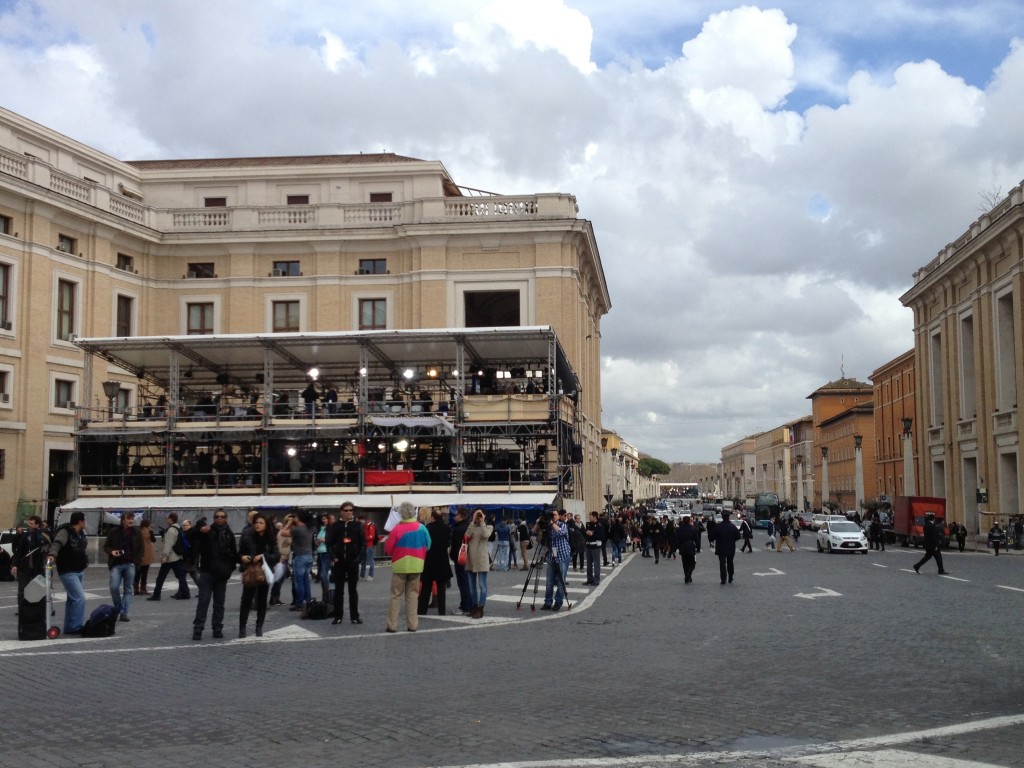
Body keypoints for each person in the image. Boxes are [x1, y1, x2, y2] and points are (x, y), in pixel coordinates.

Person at [384, 501, 431, 631]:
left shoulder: (396, 529)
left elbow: (388, 549)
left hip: (400, 565)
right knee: (413, 596)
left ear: (401, 514)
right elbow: (428, 545)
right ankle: (413, 625)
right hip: (417, 565)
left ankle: (392, 625)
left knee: (395, 595)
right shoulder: (422, 528)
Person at [192, 509, 238, 640]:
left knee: (219, 602)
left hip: (221, 573)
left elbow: (234, 553)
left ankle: (217, 627)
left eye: (222, 517)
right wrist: (200, 529)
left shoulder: (229, 534)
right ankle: (198, 628)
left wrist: (229, 569)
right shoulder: (207, 531)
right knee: (203, 601)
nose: (219, 519)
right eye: (217, 516)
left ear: (226, 518)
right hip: (207, 571)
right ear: (213, 518)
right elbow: (189, 535)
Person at [237, 513, 279, 638]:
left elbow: (276, 556)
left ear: (266, 525)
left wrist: (263, 556)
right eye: (256, 523)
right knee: (246, 600)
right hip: (250, 571)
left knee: (262, 601)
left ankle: (259, 626)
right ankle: (242, 628)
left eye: (261, 523)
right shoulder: (247, 537)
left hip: (264, 572)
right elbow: (240, 554)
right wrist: (243, 558)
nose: (258, 525)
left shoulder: (271, 539)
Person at [47, 511, 89, 635]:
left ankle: (69, 627)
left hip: (79, 569)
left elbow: (83, 547)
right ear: (80, 521)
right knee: (79, 597)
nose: (85, 523)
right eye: (84, 520)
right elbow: (57, 544)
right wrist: (52, 555)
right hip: (68, 570)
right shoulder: (65, 532)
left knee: (72, 599)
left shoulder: (81, 533)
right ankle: (76, 626)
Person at [326, 502, 365, 625]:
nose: (349, 512)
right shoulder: (335, 526)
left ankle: (355, 616)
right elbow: (328, 543)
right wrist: (333, 557)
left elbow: (363, 544)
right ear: (341, 511)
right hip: (339, 561)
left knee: (353, 590)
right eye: (346, 510)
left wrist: (358, 558)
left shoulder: (358, 525)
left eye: (351, 510)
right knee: (339, 590)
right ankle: (338, 616)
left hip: (353, 561)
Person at [103, 511, 144, 622]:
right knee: (114, 587)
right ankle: (118, 607)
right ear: (123, 520)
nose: (131, 521)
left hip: (130, 564)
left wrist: (135, 562)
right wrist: (112, 552)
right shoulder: (114, 531)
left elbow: (141, 548)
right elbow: (106, 546)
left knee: (128, 589)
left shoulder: (137, 532)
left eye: (132, 518)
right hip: (116, 564)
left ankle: (124, 612)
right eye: (129, 518)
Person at [148, 513, 192, 600]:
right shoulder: (178, 528)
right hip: (177, 555)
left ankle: (157, 594)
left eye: (167, 518)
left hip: (170, 557)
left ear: (170, 519)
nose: (166, 520)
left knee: (161, 577)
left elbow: (168, 544)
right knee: (180, 576)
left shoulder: (171, 530)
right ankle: (186, 592)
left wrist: (165, 556)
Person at [419, 508, 452, 616]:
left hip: (429, 559)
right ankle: (442, 611)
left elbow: (424, 543)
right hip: (442, 560)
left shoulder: (427, 528)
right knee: (441, 588)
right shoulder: (447, 528)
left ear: (432, 517)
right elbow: (448, 543)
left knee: (426, 587)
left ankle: (422, 610)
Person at [12, 515, 50, 608]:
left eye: (31, 523)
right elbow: (19, 551)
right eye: (28, 523)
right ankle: (22, 608)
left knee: (38, 588)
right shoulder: (25, 536)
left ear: (37, 525)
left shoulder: (43, 535)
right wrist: (14, 564)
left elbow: (47, 550)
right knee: (22, 588)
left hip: (38, 566)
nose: (29, 525)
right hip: (25, 566)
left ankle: (38, 608)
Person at [463, 508, 493, 619]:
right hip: (471, 559)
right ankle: (474, 606)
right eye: (476, 514)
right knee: (472, 587)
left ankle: (480, 608)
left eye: (480, 514)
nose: (478, 516)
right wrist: (473, 521)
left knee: (482, 585)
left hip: (481, 560)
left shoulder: (489, 526)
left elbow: (486, 535)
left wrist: (482, 522)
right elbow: (466, 536)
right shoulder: (471, 526)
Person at [279, 512, 313, 610]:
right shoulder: (308, 528)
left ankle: (300, 603)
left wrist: (289, 523)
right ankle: (308, 601)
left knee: (299, 582)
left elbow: (283, 532)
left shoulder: (297, 529)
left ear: (298, 518)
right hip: (309, 555)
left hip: (300, 557)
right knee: (306, 580)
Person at [541, 509, 571, 611]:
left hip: (563, 555)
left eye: (554, 515)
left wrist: (551, 524)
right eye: (551, 515)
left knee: (560, 581)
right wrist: (539, 522)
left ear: (558, 516)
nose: (553, 517)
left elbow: (560, 533)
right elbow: (535, 534)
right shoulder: (548, 527)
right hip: (552, 555)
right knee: (549, 581)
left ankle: (558, 602)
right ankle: (548, 602)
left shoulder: (563, 525)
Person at [450, 508, 472, 614]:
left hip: (460, 559)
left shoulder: (458, 529)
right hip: (470, 558)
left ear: (460, 515)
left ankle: (465, 606)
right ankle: (469, 604)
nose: (455, 516)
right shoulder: (469, 527)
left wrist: (452, 557)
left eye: (456, 514)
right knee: (468, 582)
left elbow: (455, 547)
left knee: (463, 583)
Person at [710, 510, 741, 584]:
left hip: (721, 548)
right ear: (728, 517)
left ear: (722, 517)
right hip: (731, 547)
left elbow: (712, 537)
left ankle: (723, 579)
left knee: (722, 564)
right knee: (730, 562)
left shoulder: (718, 527)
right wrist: (733, 540)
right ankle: (730, 577)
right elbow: (738, 536)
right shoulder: (732, 527)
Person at [133, 518, 156, 595]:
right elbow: (154, 540)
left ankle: (136, 589)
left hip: (139, 554)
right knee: (144, 573)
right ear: (147, 525)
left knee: (138, 572)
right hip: (147, 554)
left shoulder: (137, 532)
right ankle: (143, 589)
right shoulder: (149, 532)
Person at [675, 513, 698, 583]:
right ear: (689, 521)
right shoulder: (692, 528)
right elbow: (696, 539)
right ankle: (688, 575)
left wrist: (677, 547)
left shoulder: (679, 529)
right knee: (692, 563)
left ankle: (687, 576)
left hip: (683, 547)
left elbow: (677, 539)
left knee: (685, 563)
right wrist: (698, 547)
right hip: (690, 546)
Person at [314, 512, 332, 602]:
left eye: (325, 518)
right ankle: (325, 595)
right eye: (323, 519)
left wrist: (324, 540)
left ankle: (327, 596)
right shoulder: (319, 529)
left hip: (327, 553)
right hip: (320, 553)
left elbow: (333, 540)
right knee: (321, 576)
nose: (324, 520)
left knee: (323, 575)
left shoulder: (330, 529)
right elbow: (315, 542)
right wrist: (317, 542)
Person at [584, 511, 605, 586]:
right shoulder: (589, 525)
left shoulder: (599, 526)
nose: (589, 518)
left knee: (596, 564)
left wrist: (592, 534)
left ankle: (596, 580)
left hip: (595, 547)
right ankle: (589, 579)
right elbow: (586, 533)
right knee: (589, 564)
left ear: (595, 517)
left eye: (590, 517)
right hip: (589, 546)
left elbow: (601, 537)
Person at [360, 514, 377, 581]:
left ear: (364, 520)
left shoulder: (370, 525)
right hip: (364, 545)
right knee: (363, 561)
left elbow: (371, 536)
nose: (361, 521)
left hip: (369, 545)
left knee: (370, 561)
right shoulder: (362, 526)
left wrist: (363, 539)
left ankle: (370, 575)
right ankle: (362, 575)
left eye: (361, 519)